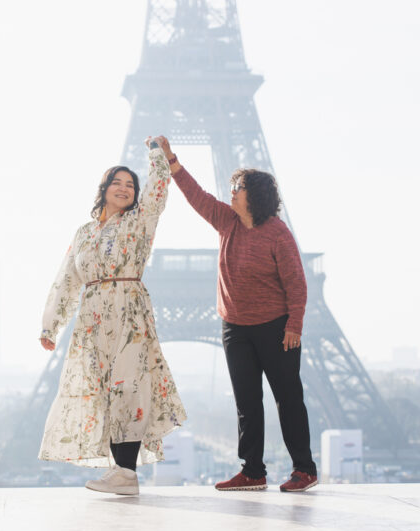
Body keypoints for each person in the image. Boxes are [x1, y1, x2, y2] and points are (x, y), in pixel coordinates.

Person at [156, 136, 317, 492]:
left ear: (255, 194)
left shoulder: (277, 233)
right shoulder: (226, 221)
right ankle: (253, 471)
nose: (231, 191)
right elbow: (197, 196)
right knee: (247, 402)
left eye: (238, 187)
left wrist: (294, 325)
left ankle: (304, 469)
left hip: (276, 327)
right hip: (235, 327)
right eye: (232, 186)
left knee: (287, 398)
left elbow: (297, 284)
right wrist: (172, 162)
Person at [39, 137, 186, 495]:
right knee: (104, 392)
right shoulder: (85, 233)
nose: (124, 188)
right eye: (117, 183)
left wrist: (157, 155)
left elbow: (158, 191)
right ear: (103, 190)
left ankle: (126, 473)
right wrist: (50, 325)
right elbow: (66, 279)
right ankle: (121, 471)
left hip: (128, 315)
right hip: (92, 322)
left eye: (130, 185)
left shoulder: (140, 221)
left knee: (129, 389)